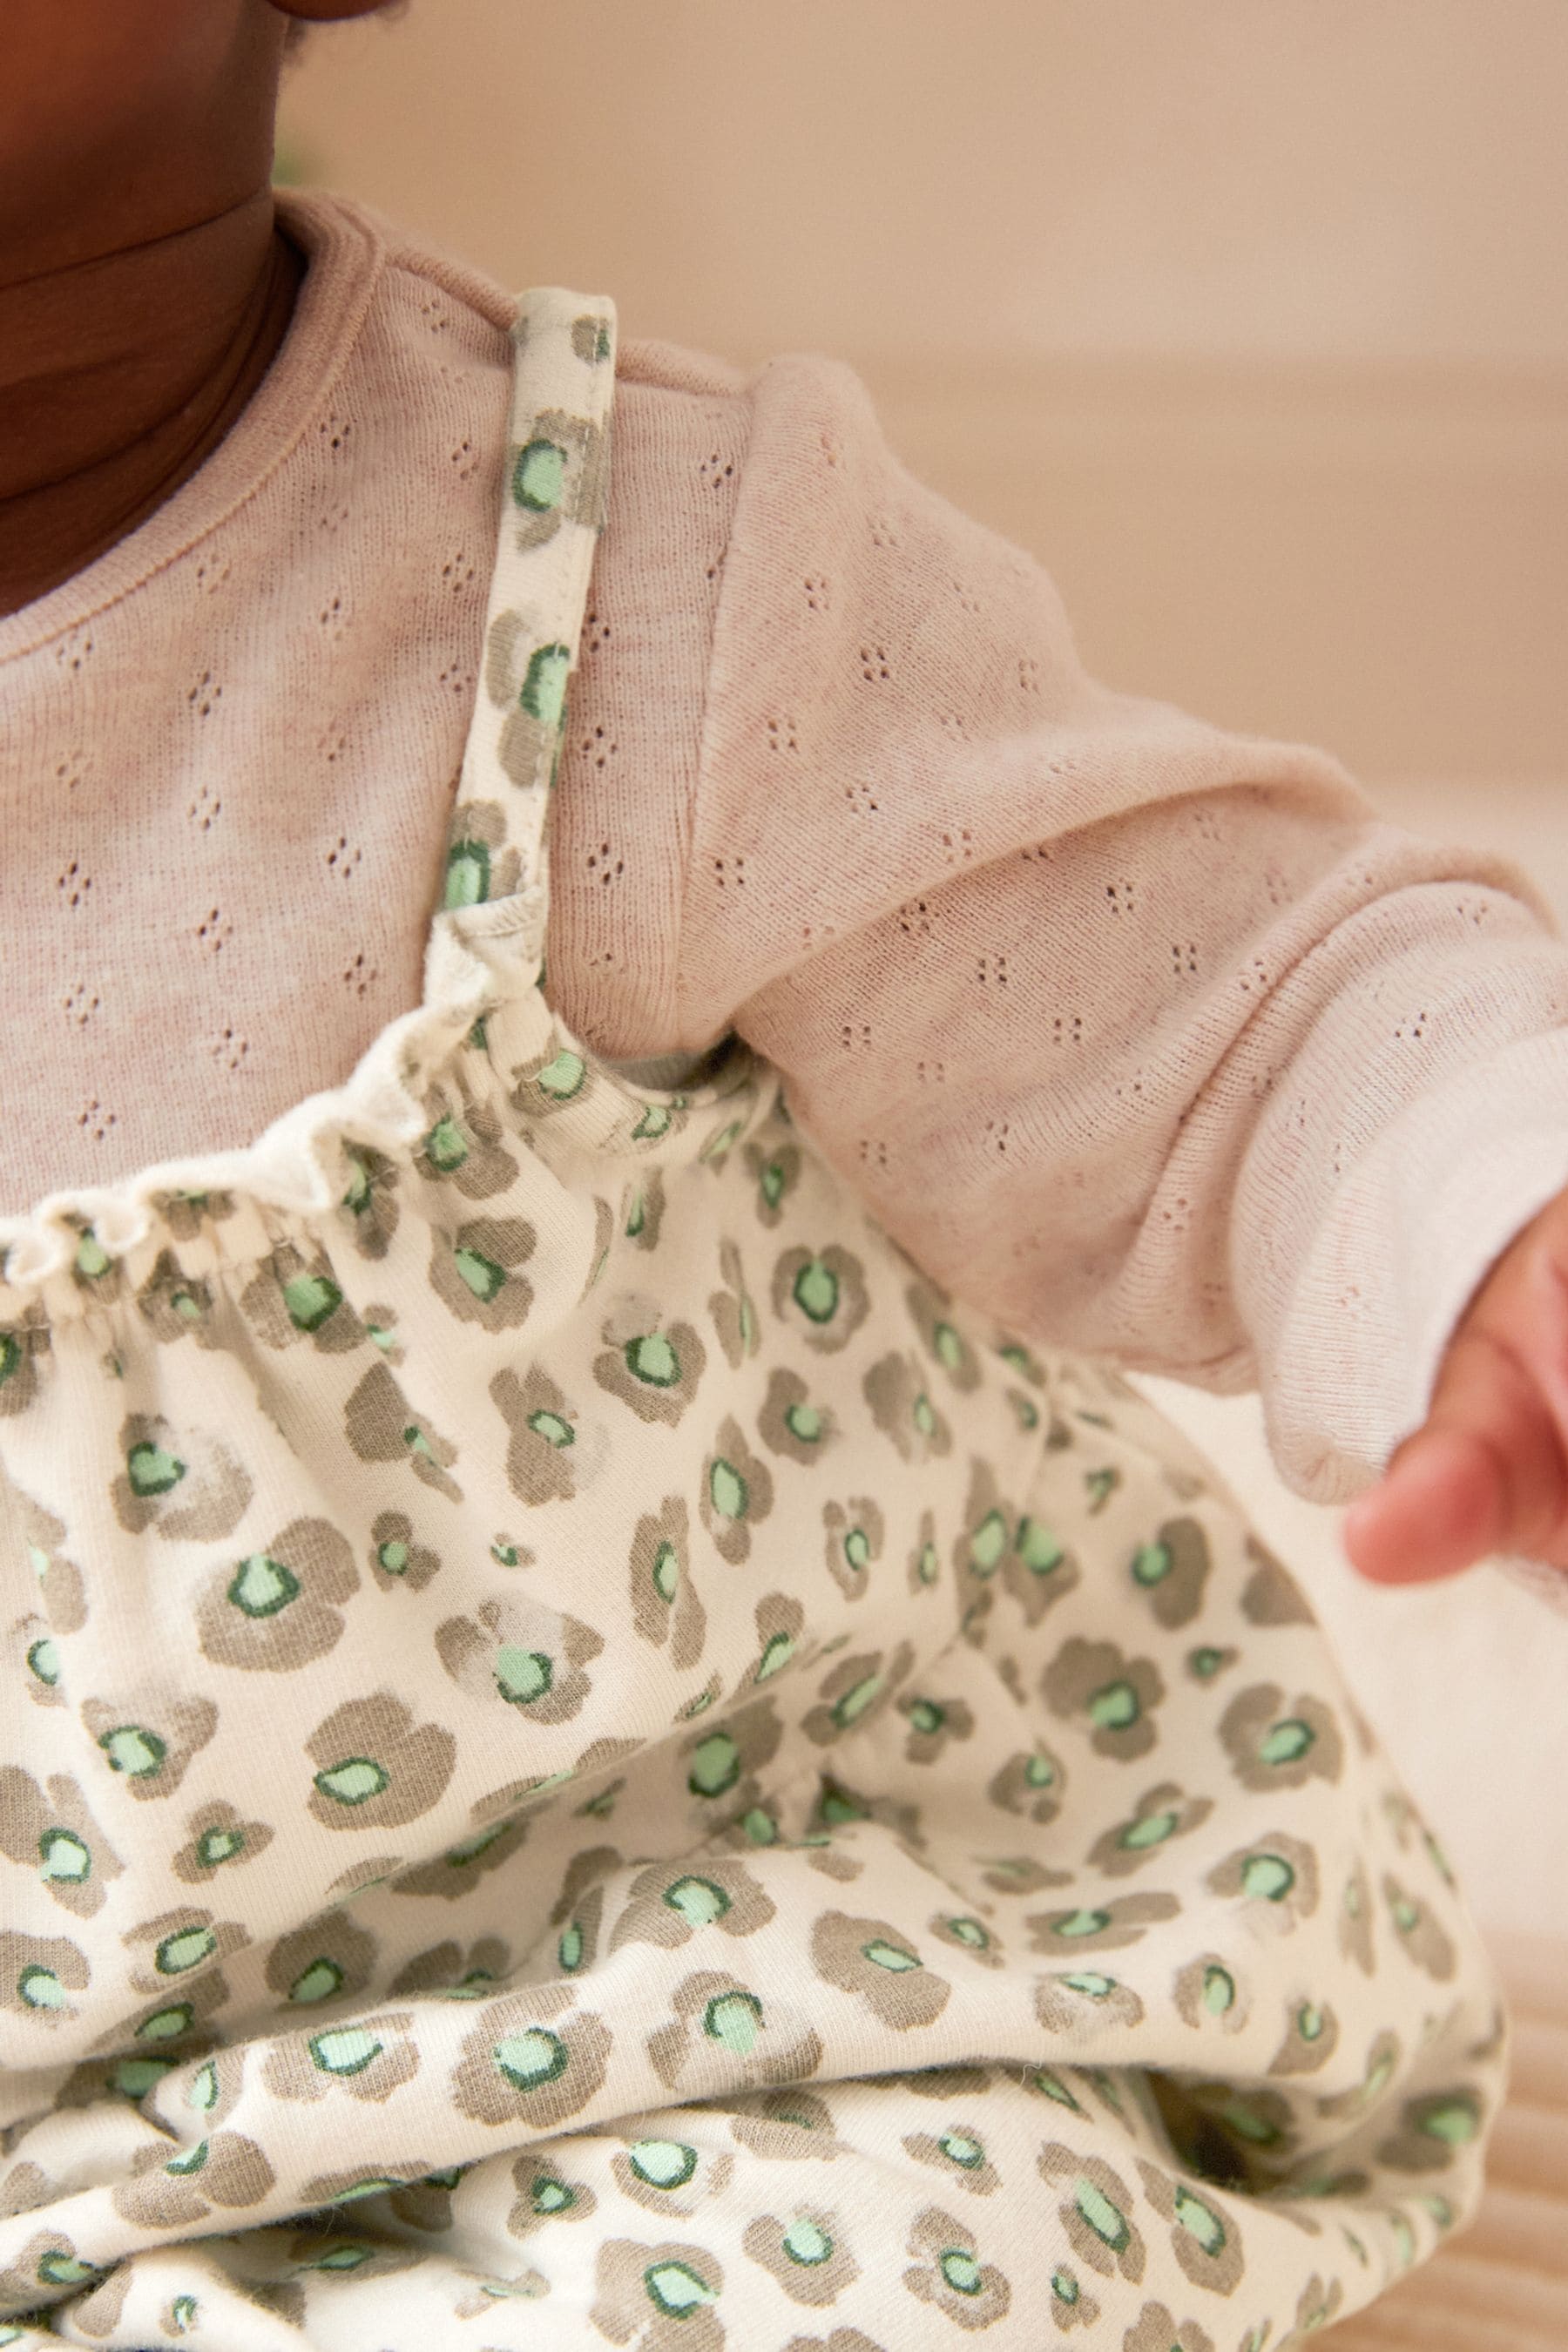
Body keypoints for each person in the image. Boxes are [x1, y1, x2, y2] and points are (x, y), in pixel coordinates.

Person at [0, 3, 1562, 2342]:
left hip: (636, 2031)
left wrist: (1489, 1219)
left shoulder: (648, 579)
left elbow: (1253, 1007)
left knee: (898, 2266)